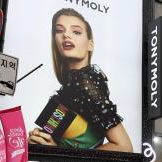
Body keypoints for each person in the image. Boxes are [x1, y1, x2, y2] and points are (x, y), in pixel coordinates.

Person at [28, 8, 133, 152]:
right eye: (59, 30)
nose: (66, 35)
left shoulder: (86, 84)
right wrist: (40, 138)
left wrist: (59, 153)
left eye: (76, 32)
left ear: (90, 44)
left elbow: (124, 147)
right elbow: (53, 134)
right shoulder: (70, 85)